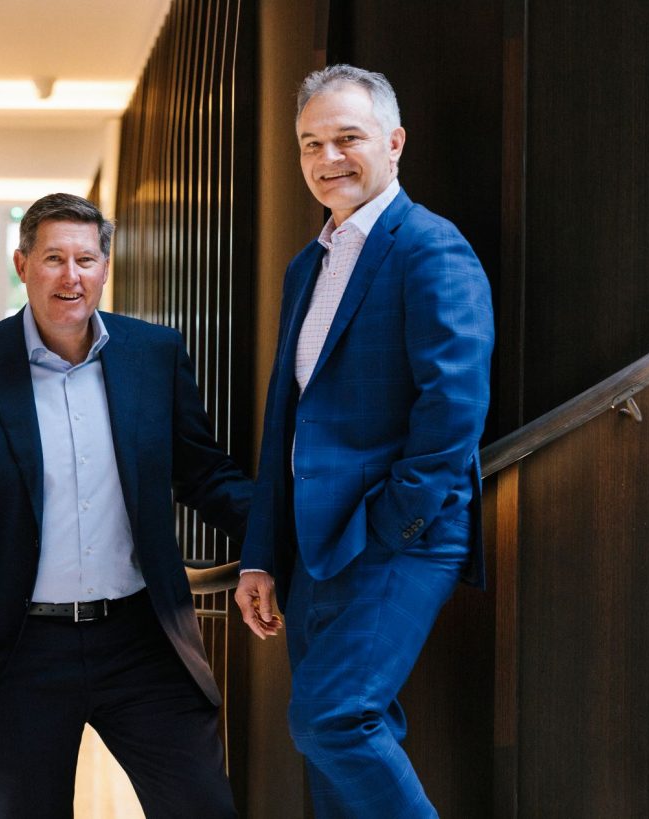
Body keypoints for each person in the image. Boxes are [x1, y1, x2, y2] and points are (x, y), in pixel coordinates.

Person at [0, 193, 250, 818]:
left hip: (142, 640)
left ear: (105, 267)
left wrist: (279, 541)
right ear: (21, 264)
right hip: (20, 654)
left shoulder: (154, 354)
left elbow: (204, 474)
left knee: (202, 807)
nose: (71, 277)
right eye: (52, 259)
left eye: (85, 259)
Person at [234, 64, 494, 817]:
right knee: (338, 750)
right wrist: (261, 551)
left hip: (399, 537)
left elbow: (454, 408)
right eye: (311, 143)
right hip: (316, 547)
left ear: (394, 141)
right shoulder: (307, 266)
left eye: (348, 138)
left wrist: (394, 523)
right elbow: (286, 420)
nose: (328, 158)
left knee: (333, 719)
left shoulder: (430, 250)